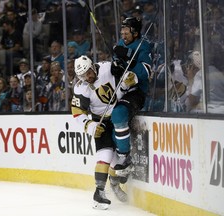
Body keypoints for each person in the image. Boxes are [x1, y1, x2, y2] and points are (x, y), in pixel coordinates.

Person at [71, 55, 136, 209]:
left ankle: (114, 184)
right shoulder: (80, 87)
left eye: (88, 73)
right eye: (82, 75)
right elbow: (77, 113)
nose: (87, 77)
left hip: (119, 113)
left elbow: (125, 77)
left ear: (93, 66)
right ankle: (99, 192)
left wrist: (128, 80)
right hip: (100, 121)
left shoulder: (107, 68)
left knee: (117, 162)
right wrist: (90, 126)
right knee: (105, 155)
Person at [110, 16, 152, 173]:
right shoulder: (120, 44)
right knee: (110, 120)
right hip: (120, 89)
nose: (123, 34)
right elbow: (117, 63)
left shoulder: (144, 46)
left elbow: (146, 70)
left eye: (126, 31)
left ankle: (125, 156)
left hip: (136, 92)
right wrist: (115, 66)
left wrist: (129, 60)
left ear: (135, 32)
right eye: (122, 30)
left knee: (119, 113)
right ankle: (121, 162)